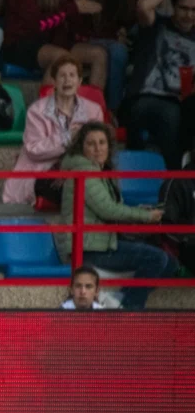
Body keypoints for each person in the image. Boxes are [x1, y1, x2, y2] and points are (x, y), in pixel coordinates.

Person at [58, 122, 178, 309]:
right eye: (91, 144)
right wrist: (145, 216)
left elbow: (112, 207)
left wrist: (142, 211)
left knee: (170, 263)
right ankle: (127, 309)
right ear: (81, 148)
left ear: (109, 146)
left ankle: (119, 298)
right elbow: (108, 209)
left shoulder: (101, 172)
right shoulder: (84, 172)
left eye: (102, 143)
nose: (98, 149)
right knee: (157, 259)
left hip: (104, 243)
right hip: (89, 248)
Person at [4, 55, 104, 205]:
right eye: (62, 75)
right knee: (72, 190)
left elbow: (98, 148)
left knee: (89, 184)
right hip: (45, 171)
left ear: (80, 81)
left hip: (80, 169)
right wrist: (67, 137)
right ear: (54, 81)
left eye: (72, 75)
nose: (67, 80)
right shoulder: (37, 110)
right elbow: (34, 149)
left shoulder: (94, 110)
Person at [126, 0, 195, 169]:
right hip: (145, 97)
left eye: (194, 10)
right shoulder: (157, 25)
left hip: (182, 101)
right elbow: (143, 6)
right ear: (173, 7)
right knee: (170, 115)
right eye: (183, 8)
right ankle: (174, 177)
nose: (189, 15)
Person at [1, 0, 108, 88]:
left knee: (98, 54)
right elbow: (38, 25)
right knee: (60, 57)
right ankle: (45, 107)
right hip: (20, 43)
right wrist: (72, 8)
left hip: (50, 43)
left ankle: (94, 106)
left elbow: (67, 26)